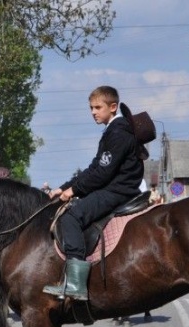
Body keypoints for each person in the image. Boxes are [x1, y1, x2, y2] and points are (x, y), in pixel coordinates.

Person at [43, 85, 152, 301]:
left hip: (117, 190)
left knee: (71, 218)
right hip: (113, 187)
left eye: (97, 107)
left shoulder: (119, 132)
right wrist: (63, 188)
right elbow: (94, 168)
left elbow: (102, 174)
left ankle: (75, 283)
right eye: (91, 108)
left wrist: (73, 191)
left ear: (113, 107)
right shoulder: (112, 131)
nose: (93, 112)